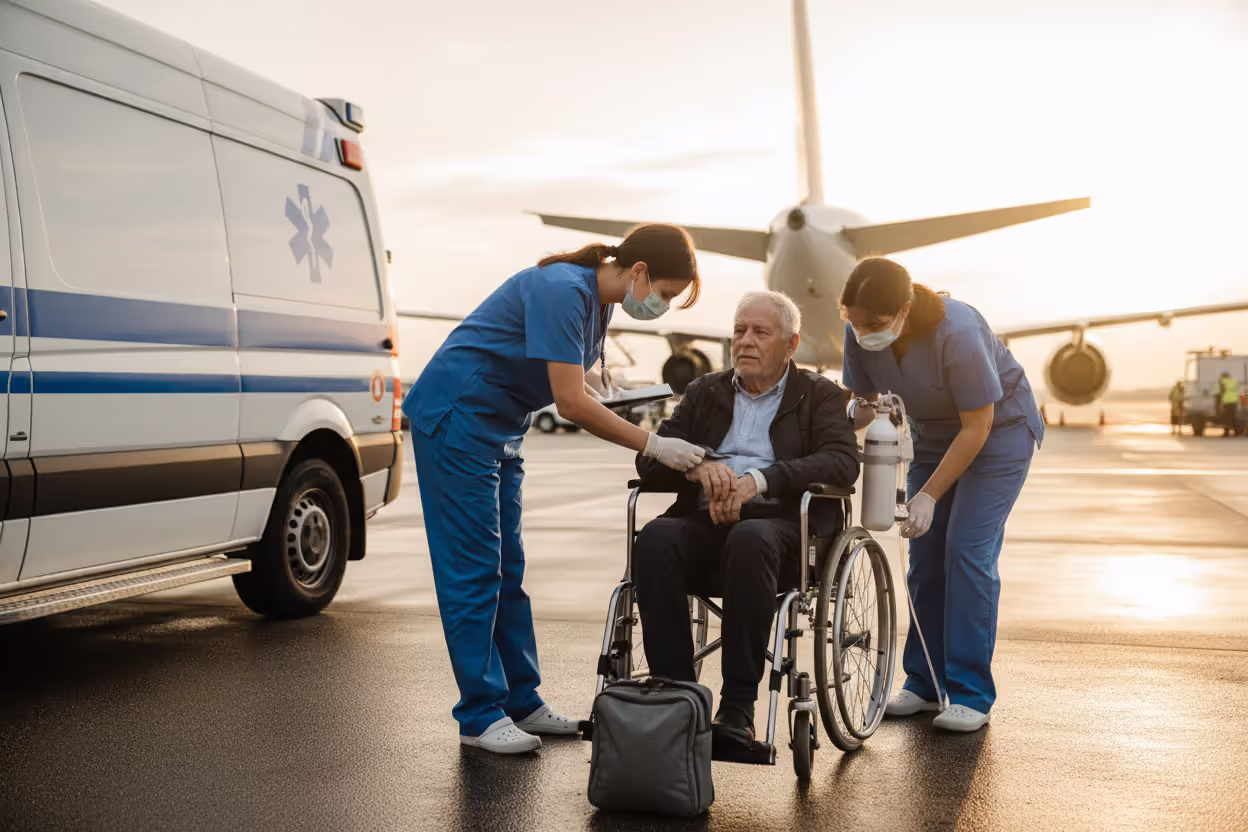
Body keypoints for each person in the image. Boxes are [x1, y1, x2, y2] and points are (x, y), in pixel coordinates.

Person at [403, 224, 708, 754]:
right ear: (639, 272)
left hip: (499, 427)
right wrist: (654, 444)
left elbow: (572, 373)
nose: (659, 305)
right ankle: (479, 714)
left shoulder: (600, 300)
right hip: (457, 419)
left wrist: (598, 382)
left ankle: (521, 700)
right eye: (663, 293)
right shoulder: (564, 288)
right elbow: (569, 405)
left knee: (508, 570)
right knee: (474, 570)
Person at [631, 291, 859, 754]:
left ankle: (737, 707)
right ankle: (677, 695)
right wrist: (695, 467)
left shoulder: (821, 395)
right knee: (655, 537)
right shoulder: (705, 392)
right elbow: (649, 461)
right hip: (704, 521)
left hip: (779, 529)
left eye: (760, 332)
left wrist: (761, 479)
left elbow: (841, 463)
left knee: (751, 540)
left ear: (791, 344)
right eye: (739, 331)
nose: (745, 342)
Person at [840, 258, 1043, 733]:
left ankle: (971, 692)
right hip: (932, 438)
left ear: (905, 309)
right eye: (852, 321)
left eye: (873, 323)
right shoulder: (857, 328)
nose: (862, 332)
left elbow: (978, 426)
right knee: (926, 556)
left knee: (966, 551)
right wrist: (836, 421)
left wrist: (929, 493)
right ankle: (925, 682)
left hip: (999, 436)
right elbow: (861, 406)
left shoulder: (959, 330)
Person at [1218, 372, 1240, 437]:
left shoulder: (1223, 381)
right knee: (1232, 417)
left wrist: (1220, 402)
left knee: (1226, 418)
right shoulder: (1234, 381)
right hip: (1234, 401)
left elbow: (1222, 391)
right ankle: (1236, 431)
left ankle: (1226, 432)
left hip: (1227, 402)